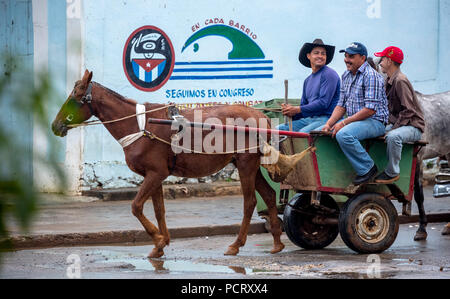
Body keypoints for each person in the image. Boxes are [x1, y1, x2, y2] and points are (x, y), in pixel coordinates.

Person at [321, 42, 389, 185]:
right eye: (345, 56)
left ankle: (367, 168)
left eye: (351, 56)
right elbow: (341, 105)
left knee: (344, 133)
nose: (346, 59)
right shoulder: (346, 75)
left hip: (375, 121)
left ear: (362, 58)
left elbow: (370, 110)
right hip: (357, 122)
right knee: (325, 132)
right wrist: (329, 124)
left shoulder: (371, 76)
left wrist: (343, 123)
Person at [373, 46, 425, 183]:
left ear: (389, 61)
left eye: (382, 59)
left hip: (413, 126)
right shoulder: (388, 80)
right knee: (374, 132)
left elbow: (409, 110)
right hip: (402, 124)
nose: (380, 63)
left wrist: (394, 127)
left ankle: (392, 172)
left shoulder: (400, 81)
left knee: (392, 137)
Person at [278, 39, 340, 133]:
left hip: (327, 119)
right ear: (308, 56)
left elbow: (323, 103)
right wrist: (290, 112)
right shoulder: (307, 81)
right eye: (316, 53)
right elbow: (304, 107)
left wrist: (297, 109)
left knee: (301, 134)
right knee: (277, 129)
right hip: (309, 119)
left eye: (323, 54)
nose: (320, 56)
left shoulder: (329, 74)